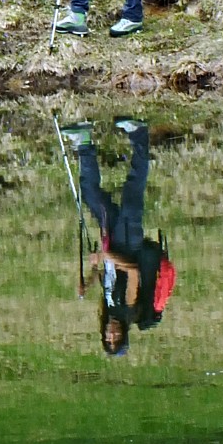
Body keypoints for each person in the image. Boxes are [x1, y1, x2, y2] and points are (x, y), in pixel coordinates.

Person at [63, 118, 161, 356]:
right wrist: (107, 256)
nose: (111, 333)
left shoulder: (108, 309)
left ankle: (83, 142)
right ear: (124, 334)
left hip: (112, 237)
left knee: (90, 194)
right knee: (133, 189)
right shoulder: (128, 310)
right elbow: (133, 271)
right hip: (129, 241)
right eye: (115, 337)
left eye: (108, 338)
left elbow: (109, 278)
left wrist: (89, 279)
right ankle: (139, 134)